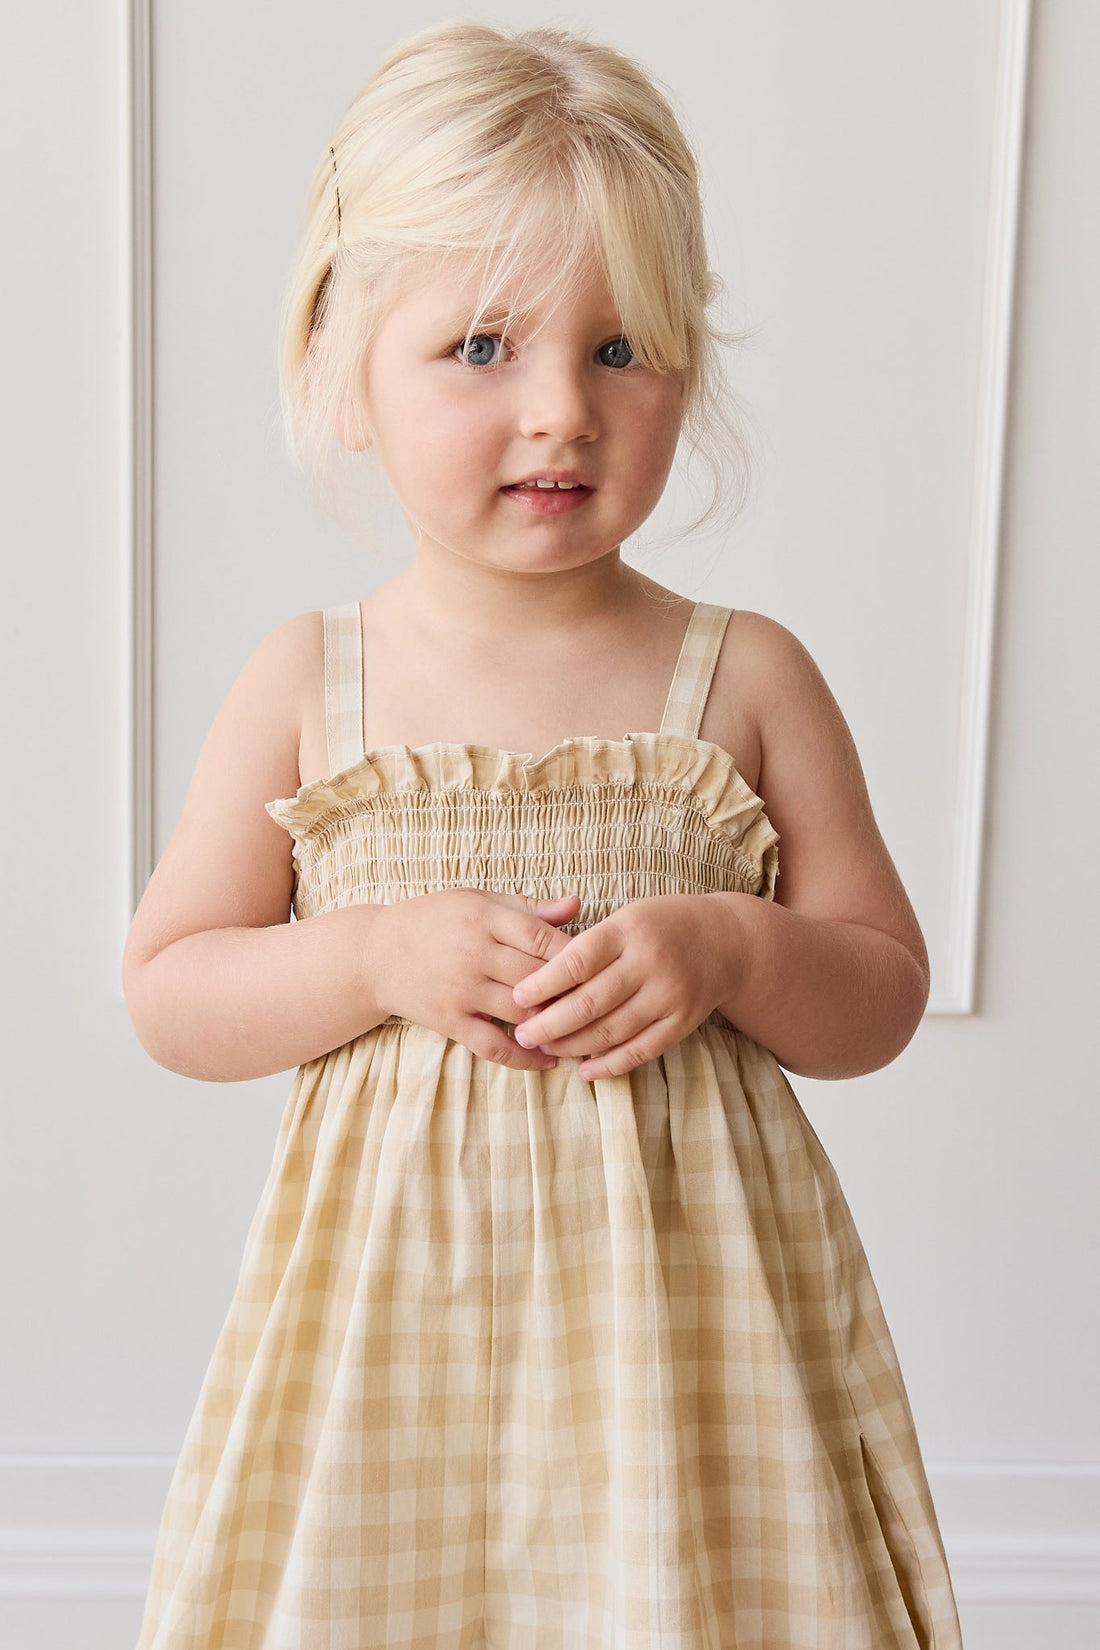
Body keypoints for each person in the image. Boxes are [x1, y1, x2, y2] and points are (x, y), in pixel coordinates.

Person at [123, 19, 964, 1649]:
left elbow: (879, 988)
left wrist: (733, 947)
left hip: (693, 1353)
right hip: (391, 1348)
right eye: (483, 347)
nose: (563, 410)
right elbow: (171, 988)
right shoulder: (311, 681)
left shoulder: (747, 677)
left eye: (621, 348)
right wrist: (369, 954)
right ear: (344, 366)